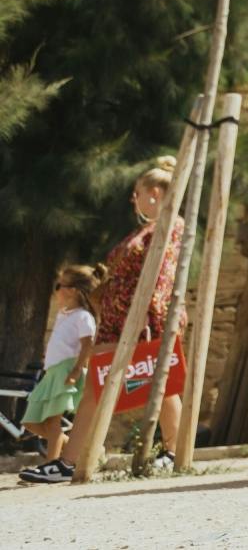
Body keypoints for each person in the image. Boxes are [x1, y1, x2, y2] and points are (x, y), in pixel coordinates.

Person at [64, 156, 187, 478]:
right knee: (99, 382)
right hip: (119, 320)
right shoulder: (149, 227)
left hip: (143, 320)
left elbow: (163, 273)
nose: (133, 200)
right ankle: (70, 460)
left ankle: (175, 451)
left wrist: (151, 316)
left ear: (155, 193)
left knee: (164, 385)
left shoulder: (172, 224)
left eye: (137, 192)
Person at [16, 264, 102, 484]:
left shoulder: (83, 317)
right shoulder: (65, 314)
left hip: (66, 371)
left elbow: (87, 346)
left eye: (59, 285)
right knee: (31, 422)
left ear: (72, 290)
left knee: (52, 422)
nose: (56, 290)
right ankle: (80, 447)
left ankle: (50, 466)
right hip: (53, 372)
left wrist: (75, 371)